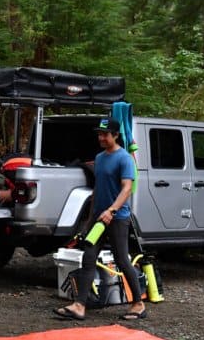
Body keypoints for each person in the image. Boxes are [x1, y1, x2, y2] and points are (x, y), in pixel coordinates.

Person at [54, 118, 147, 321]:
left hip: (117, 218)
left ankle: (138, 304)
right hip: (98, 218)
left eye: (105, 134)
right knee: (88, 258)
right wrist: (91, 217)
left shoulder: (124, 159)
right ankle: (79, 305)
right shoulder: (100, 157)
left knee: (122, 260)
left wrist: (112, 211)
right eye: (99, 134)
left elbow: (127, 188)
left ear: (115, 135)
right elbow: (98, 188)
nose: (101, 138)